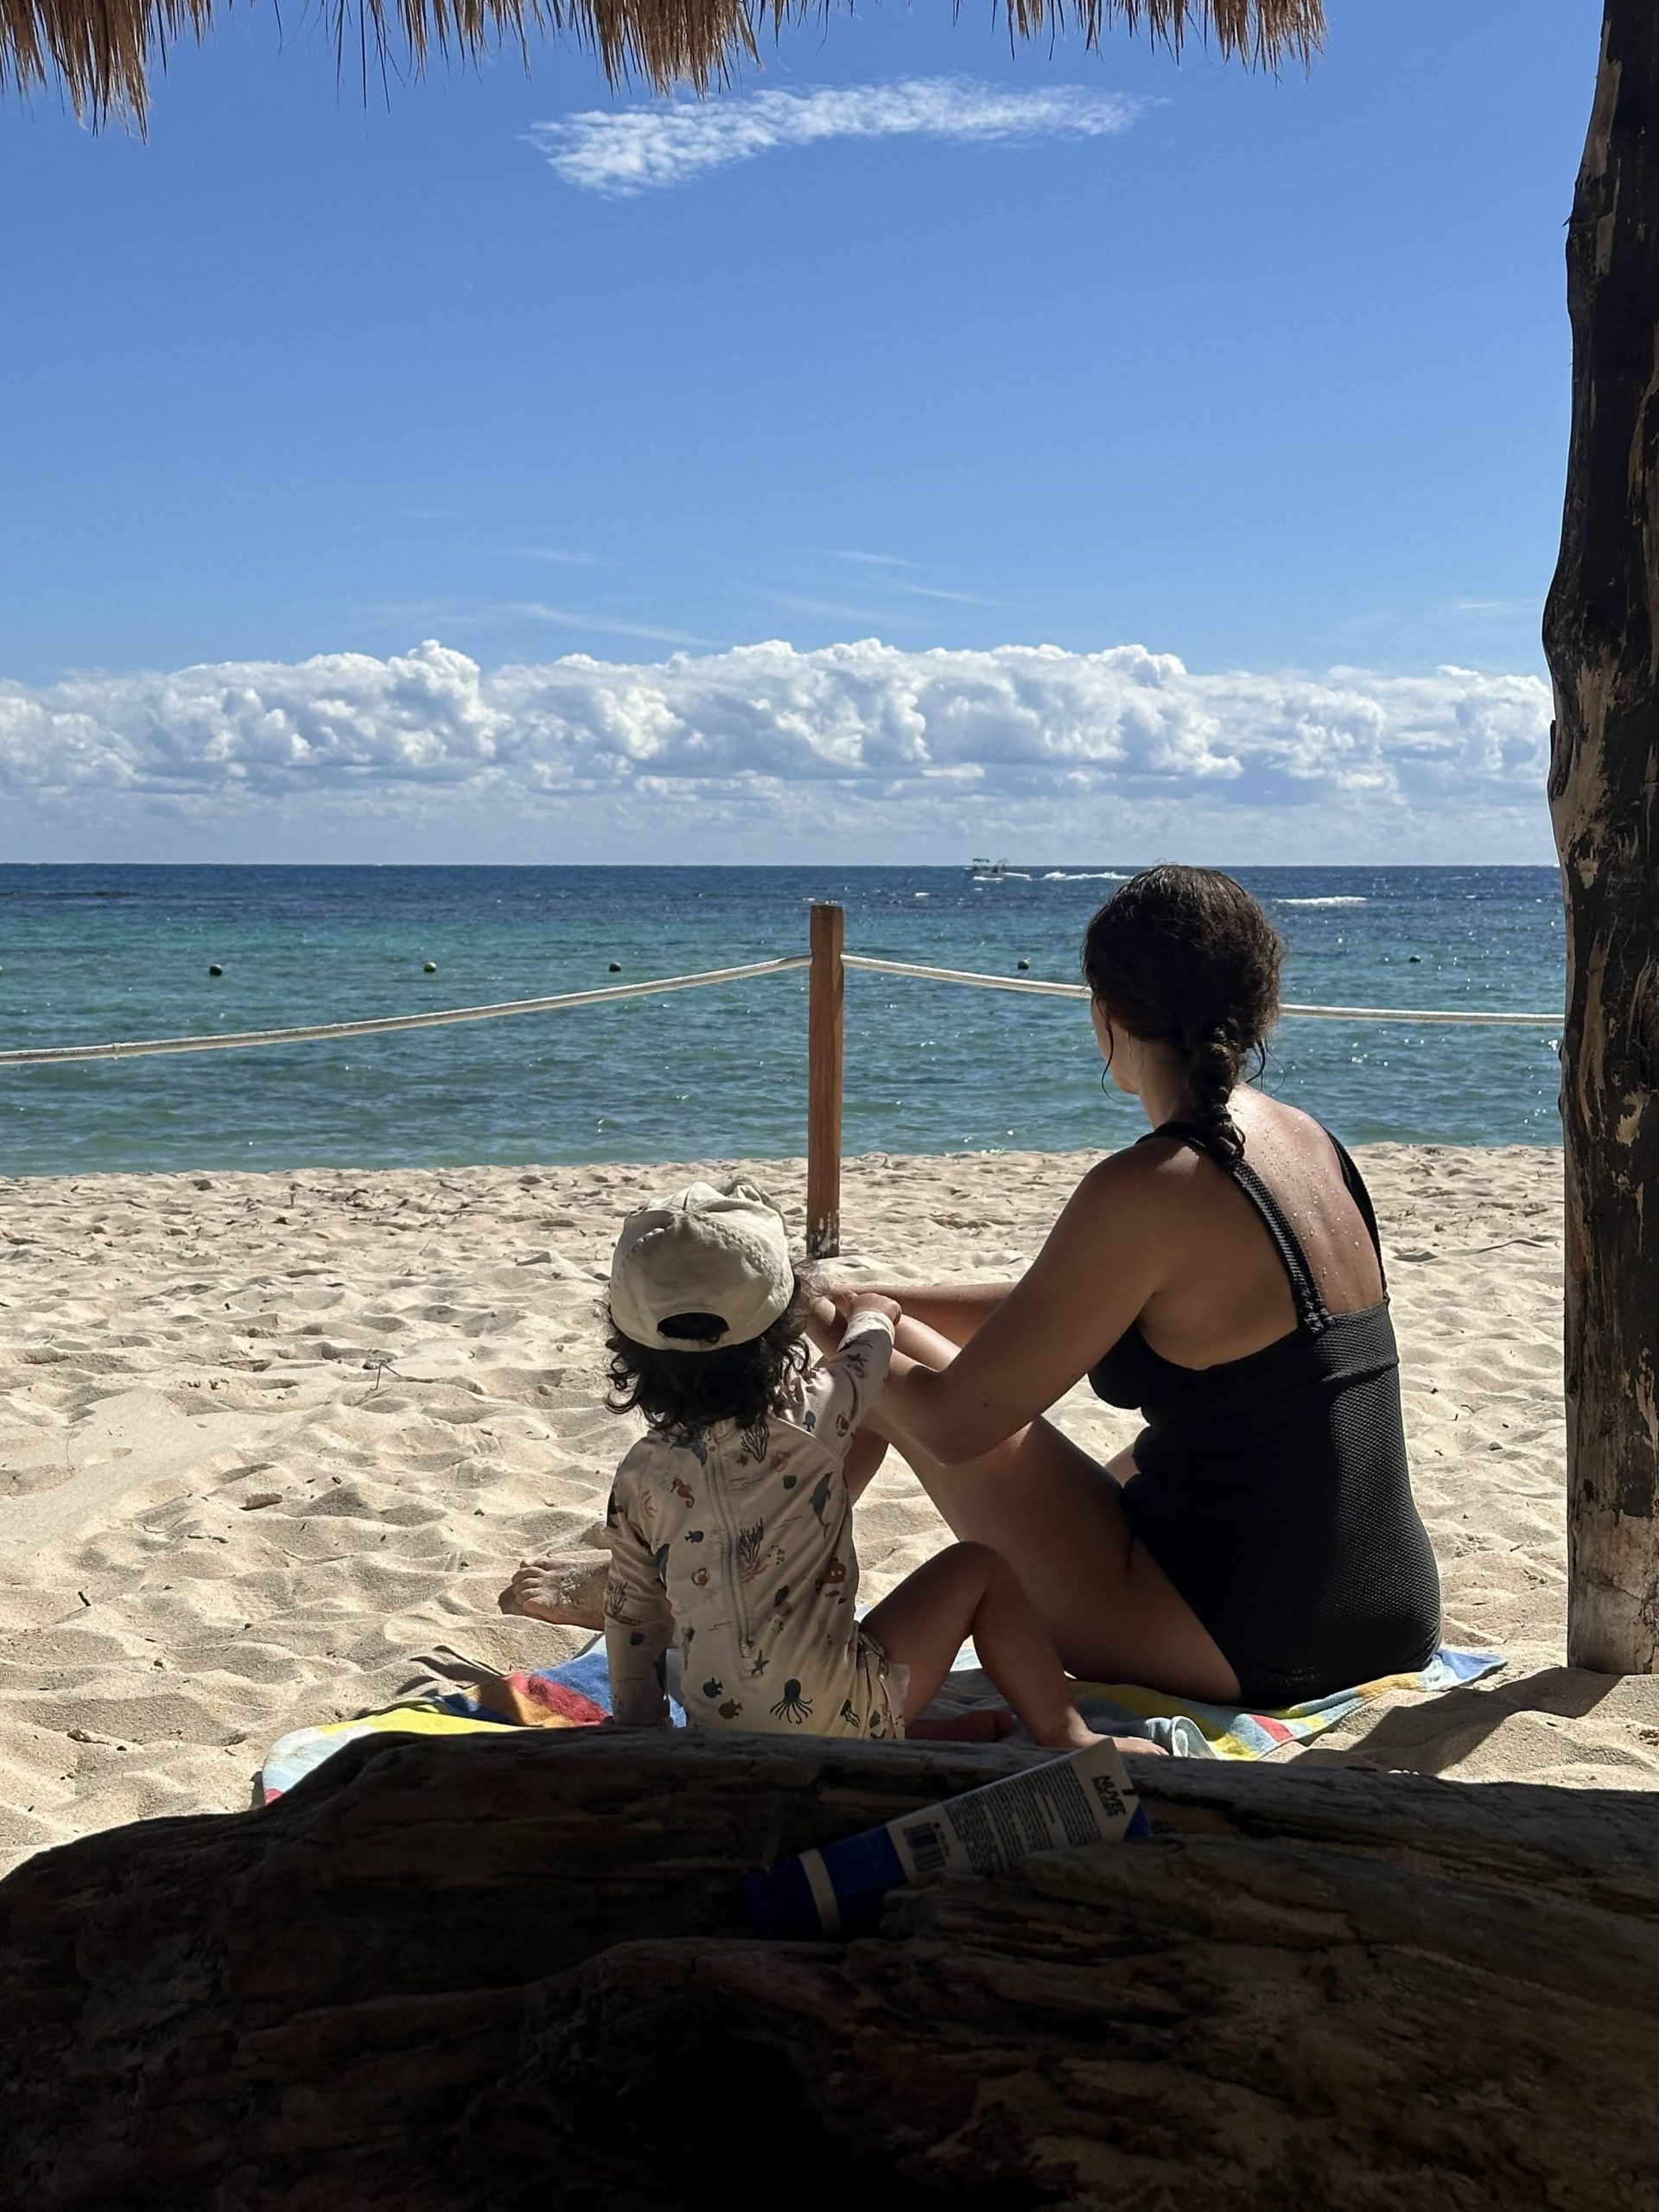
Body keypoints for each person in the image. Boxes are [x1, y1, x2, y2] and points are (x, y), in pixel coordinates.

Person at [819, 863, 1442, 1711]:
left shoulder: (1150, 1186)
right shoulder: (1305, 1141)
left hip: (1260, 1640)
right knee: (872, 1331)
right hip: (1390, 1611)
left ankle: (743, 1582)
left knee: (859, 1361)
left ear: (1105, 1012)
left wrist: (816, 1314)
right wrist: (882, 1294)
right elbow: (1067, 1305)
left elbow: (951, 1424)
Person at [577, 1178, 1106, 1751]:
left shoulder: (638, 1475)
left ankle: (909, 1729)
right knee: (978, 1571)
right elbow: (864, 1366)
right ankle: (1065, 1732)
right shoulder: (810, 1415)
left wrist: (640, 1724)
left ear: (629, 1347)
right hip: (849, 1709)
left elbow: (632, 1615)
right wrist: (874, 1316)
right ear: (782, 1328)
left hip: (721, 1729)